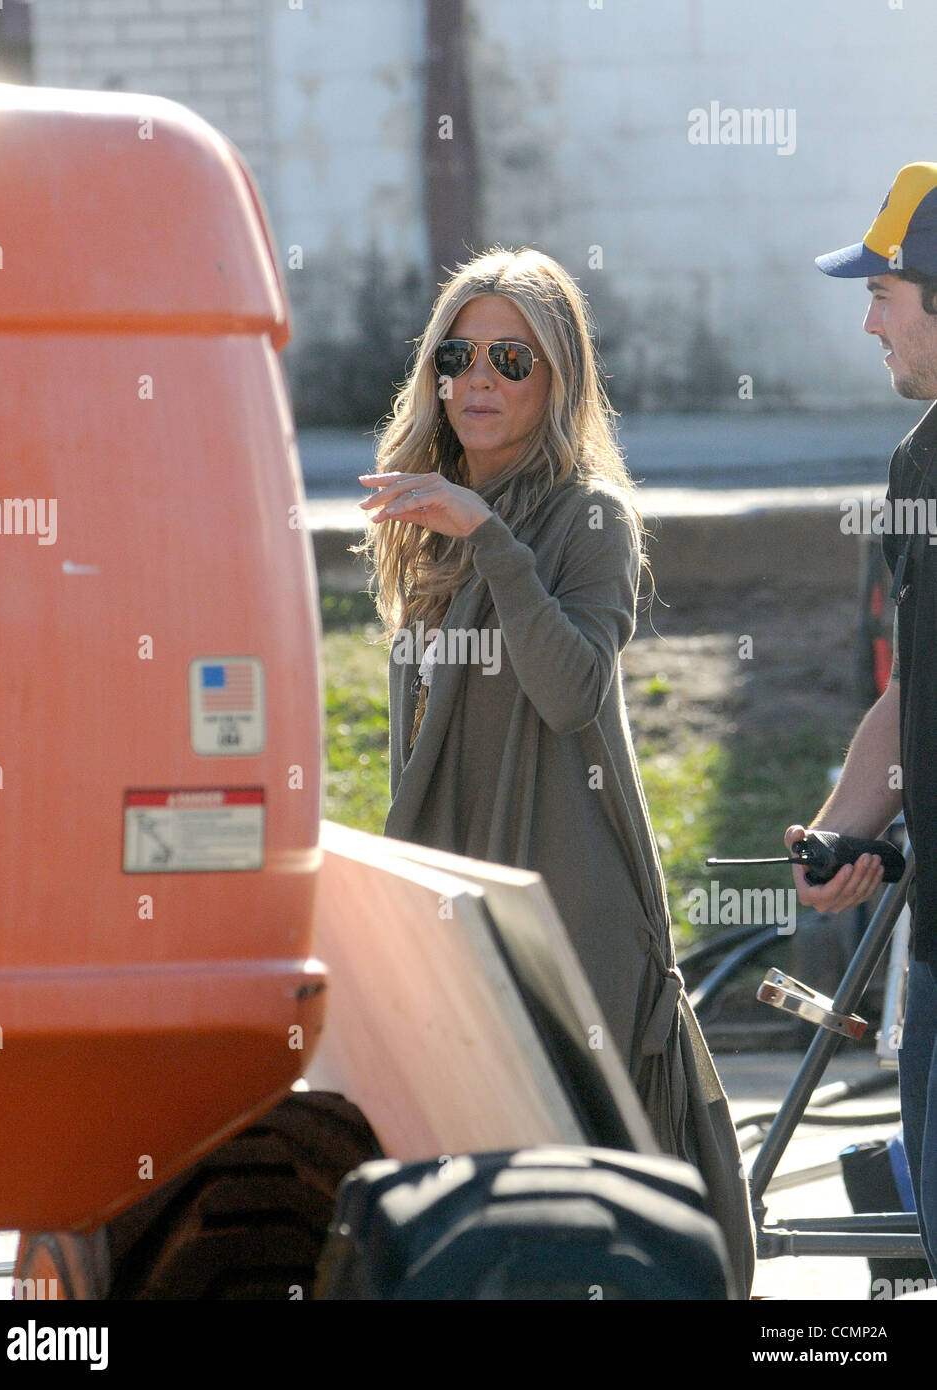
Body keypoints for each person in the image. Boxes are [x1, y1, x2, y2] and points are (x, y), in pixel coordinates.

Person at [356, 246, 753, 1296]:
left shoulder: (589, 518)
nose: (477, 378)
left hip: (569, 916)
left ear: (558, 380)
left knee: (589, 1207)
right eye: (458, 353)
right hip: (460, 902)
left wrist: (490, 539)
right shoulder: (424, 516)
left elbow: (571, 689)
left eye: (510, 359)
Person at [784, 162, 937, 1276]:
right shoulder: (916, 463)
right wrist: (846, 827)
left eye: (883, 293)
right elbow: (910, 686)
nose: (866, 321)